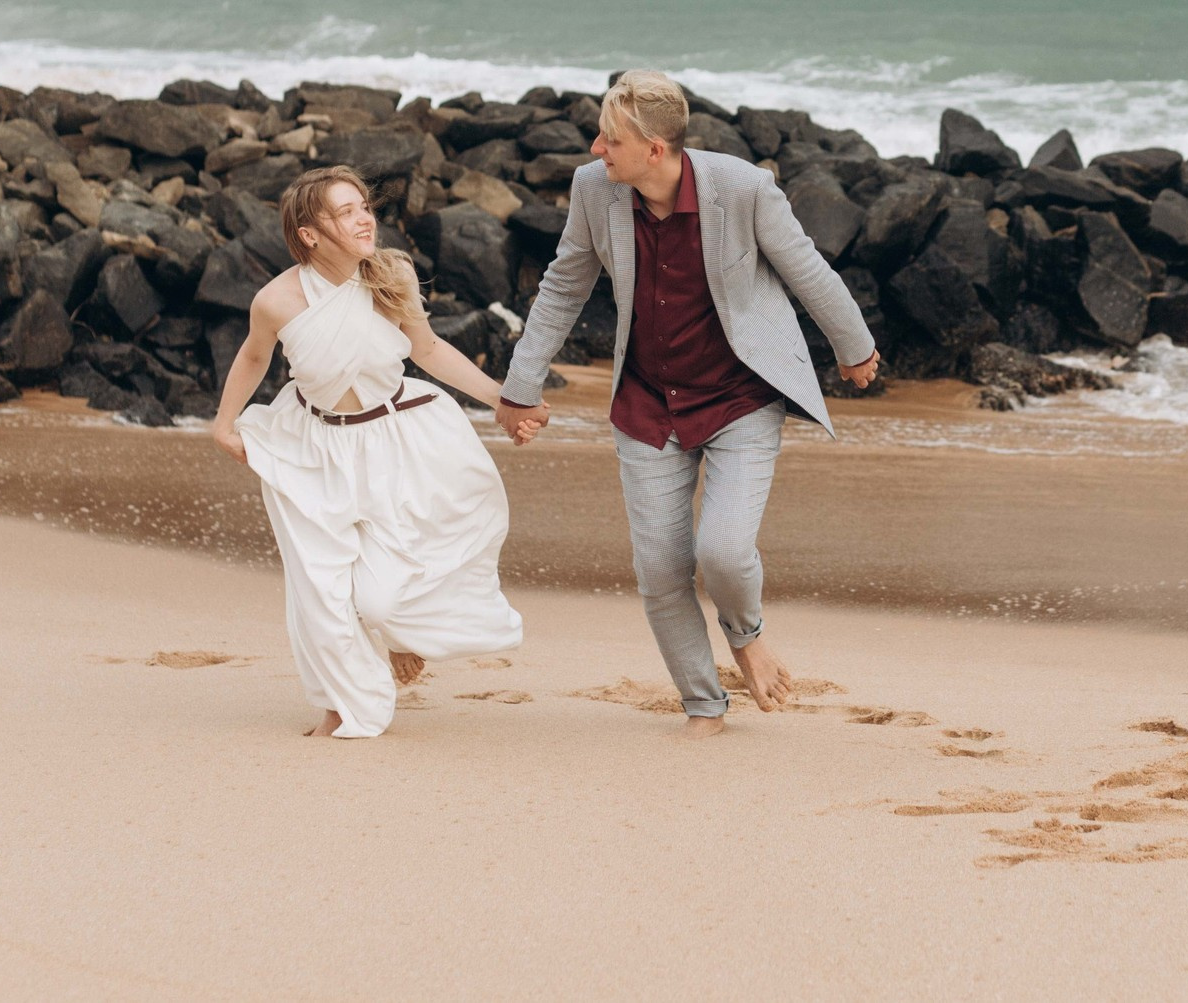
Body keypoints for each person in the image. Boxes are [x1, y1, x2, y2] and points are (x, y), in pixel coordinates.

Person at [495, 70, 880, 737]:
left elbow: (807, 269)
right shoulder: (596, 191)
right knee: (661, 569)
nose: (594, 149)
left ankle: (746, 634)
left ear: (654, 148)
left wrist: (854, 347)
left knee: (725, 551)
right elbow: (564, 285)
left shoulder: (743, 189)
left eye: (609, 139)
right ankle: (704, 704)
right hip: (647, 398)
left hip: (739, 396)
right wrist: (519, 386)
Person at [208, 165, 529, 738]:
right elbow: (255, 357)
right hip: (313, 447)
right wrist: (225, 423)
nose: (365, 218)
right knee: (321, 590)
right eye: (346, 210)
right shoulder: (277, 299)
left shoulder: (391, 274)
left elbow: (428, 349)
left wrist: (503, 401)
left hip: (398, 440)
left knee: (380, 599)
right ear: (310, 232)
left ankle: (402, 637)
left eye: (364, 206)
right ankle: (341, 707)